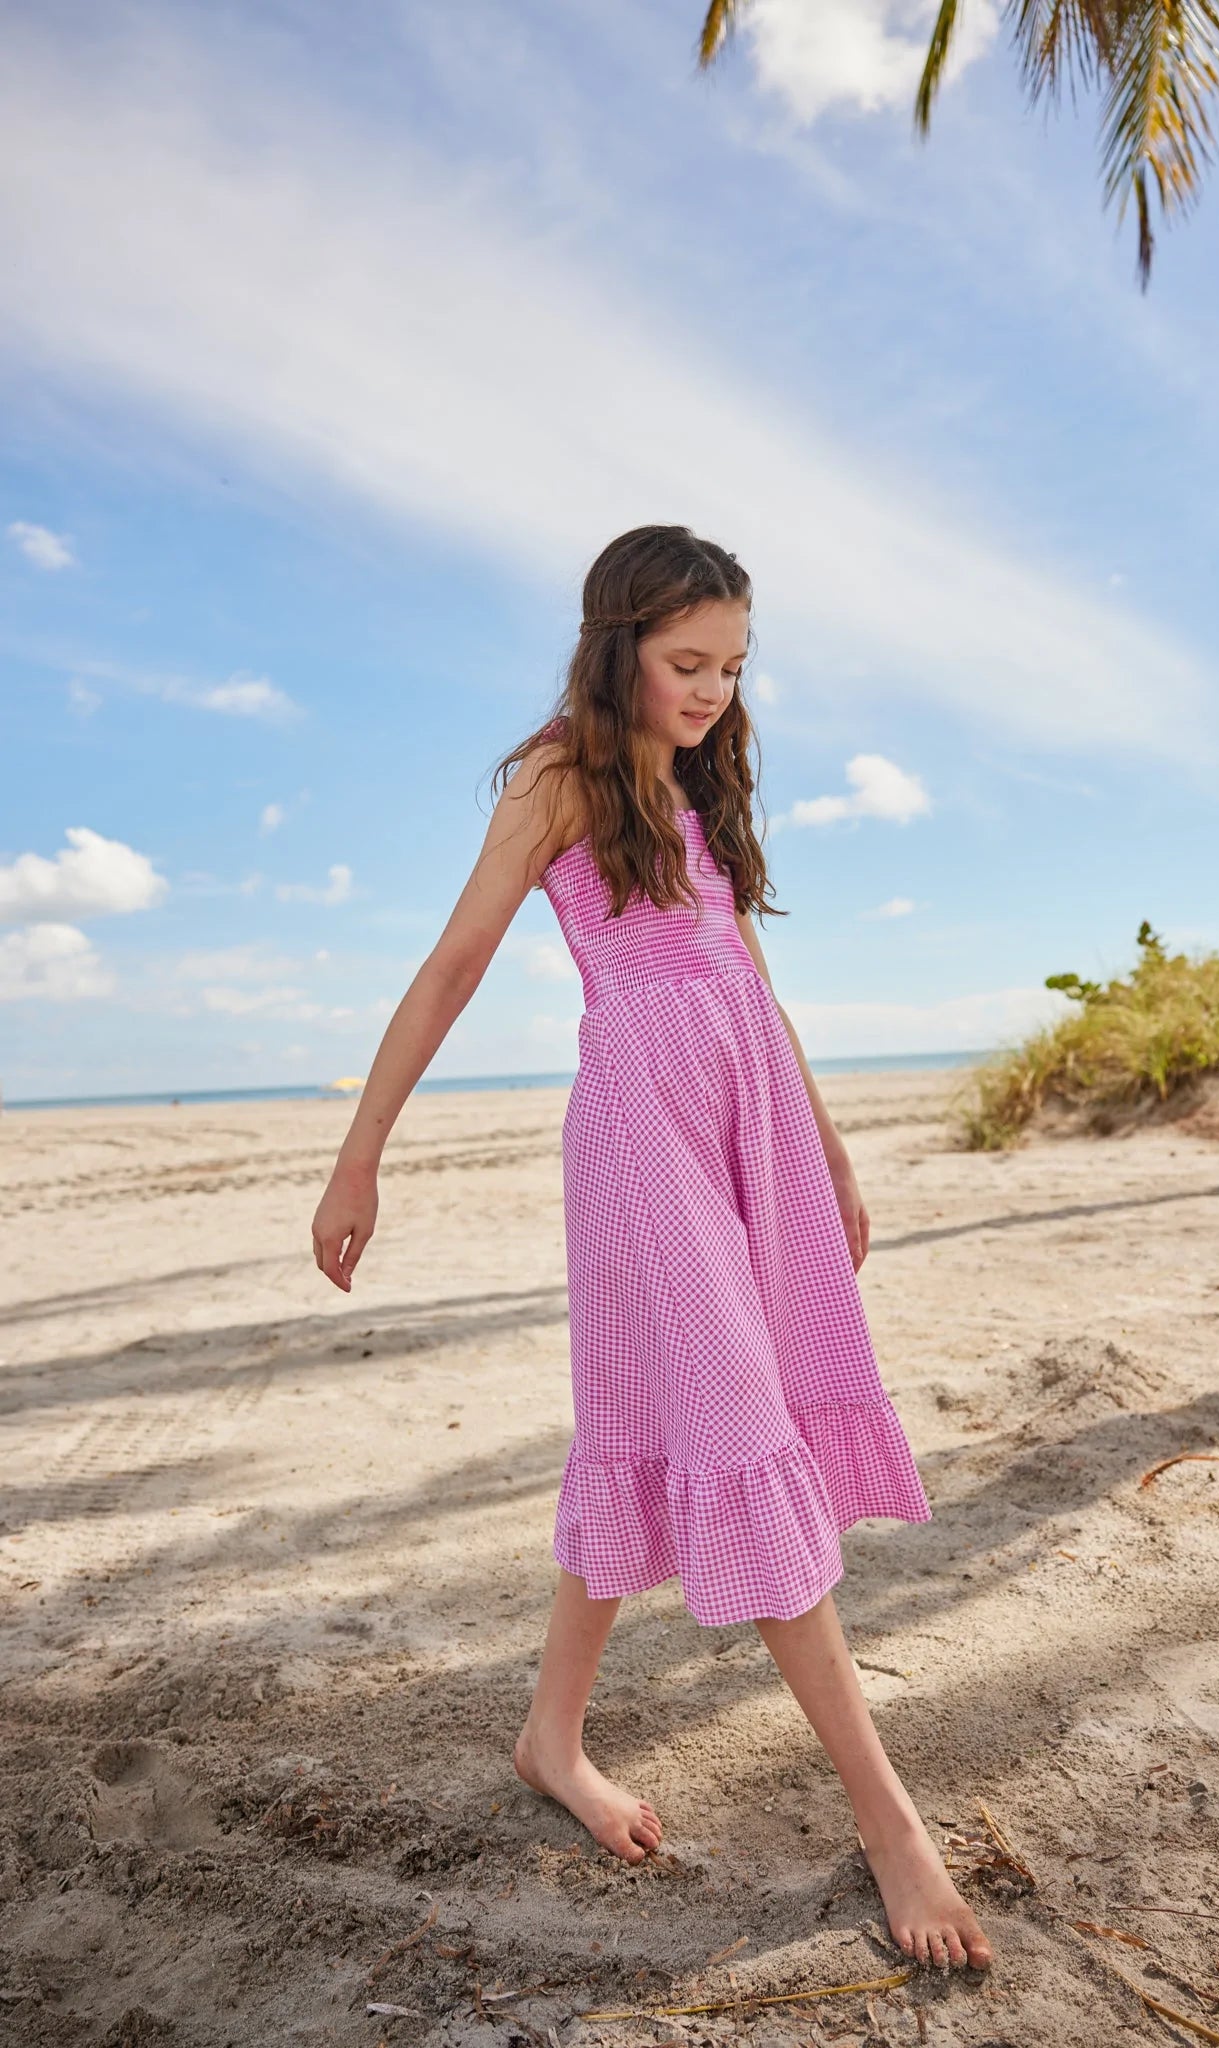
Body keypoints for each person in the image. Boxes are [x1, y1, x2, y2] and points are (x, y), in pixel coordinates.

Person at [310, 524, 993, 1974]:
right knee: (734, 1430)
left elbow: (747, 967)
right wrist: (358, 1153)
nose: (712, 690)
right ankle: (886, 1820)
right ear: (617, 643)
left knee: (638, 1427)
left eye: (733, 667)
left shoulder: (697, 779)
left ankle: (549, 1737)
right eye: (688, 663)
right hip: (642, 1131)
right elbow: (450, 966)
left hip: (746, 1121)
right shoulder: (559, 777)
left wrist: (828, 1148)